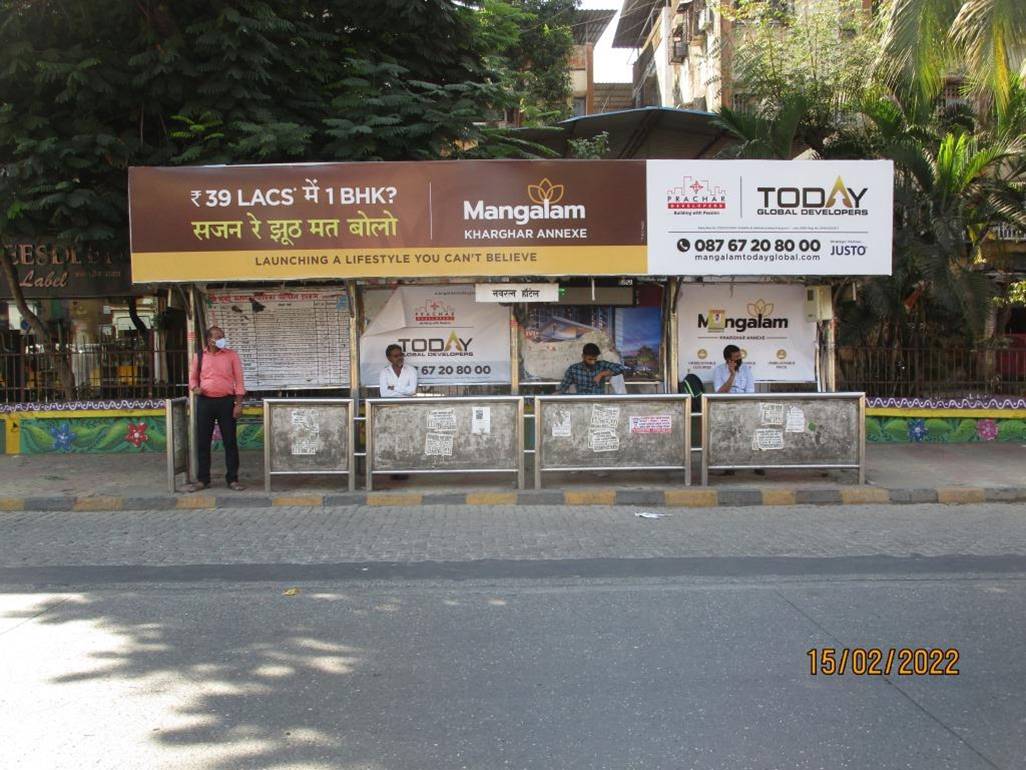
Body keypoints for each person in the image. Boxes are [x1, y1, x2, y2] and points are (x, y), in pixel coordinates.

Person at [184, 326, 246, 492]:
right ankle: (203, 479)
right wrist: (195, 388)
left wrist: (238, 404)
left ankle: (232, 479)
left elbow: (239, 381)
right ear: (209, 339)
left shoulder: (231, 355)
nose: (221, 339)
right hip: (205, 402)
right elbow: (192, 378)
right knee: (203, 441)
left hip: (226, 402)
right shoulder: (200, 356)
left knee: (230, 442)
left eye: (222, 336)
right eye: (218, 336)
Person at [558, 342, 628, 395]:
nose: (593, 362)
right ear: (583, 356)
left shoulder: (602, 365)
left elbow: (621, 368)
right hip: (582, 404)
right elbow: (563, 388)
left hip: (599, 404)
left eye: (595, 359)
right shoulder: (573, 369)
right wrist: (556, 394)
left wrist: (602, 374)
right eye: (590, 359)